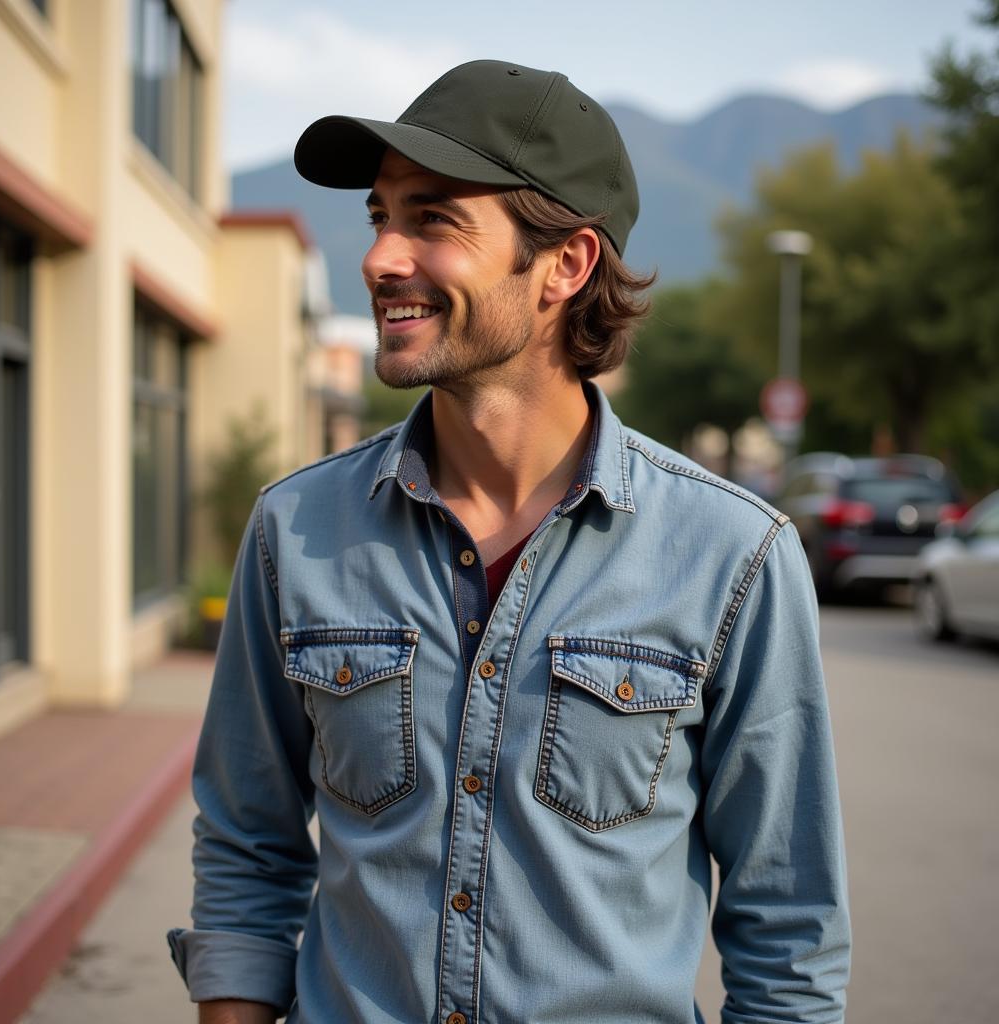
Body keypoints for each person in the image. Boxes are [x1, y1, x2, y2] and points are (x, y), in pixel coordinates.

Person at [169, 59, 850, 1024]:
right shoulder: (296, 528)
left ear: (566, 267)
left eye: (434, 219)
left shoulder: (733, 555)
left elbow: (789, 928)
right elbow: (247, 845)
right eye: (379, 217)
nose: (378, 257)